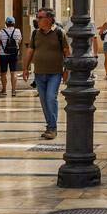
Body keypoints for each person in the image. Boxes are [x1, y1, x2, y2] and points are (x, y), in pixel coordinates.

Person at [22, 8, 70, 140]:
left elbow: (67, 52)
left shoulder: (60, 33)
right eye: (37, 17)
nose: (37, 20)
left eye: (40, 17)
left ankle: (53, 128)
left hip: (55, 73)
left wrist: (67, 70)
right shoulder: (35, 34)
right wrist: (25, 68)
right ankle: (50, 126)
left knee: (50, 98)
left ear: (49, 19)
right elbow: (30, 52)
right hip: (39, 73)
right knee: (44, 101)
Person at [0, 16, 23, 96]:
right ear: (14, 23)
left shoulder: (2, 31)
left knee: (3, 73)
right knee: (13, 72)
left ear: (6, 23)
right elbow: (19, 42)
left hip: (3, 54)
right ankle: (14, 91)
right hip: (14, 54)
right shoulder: (17, 31)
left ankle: (4, 90)